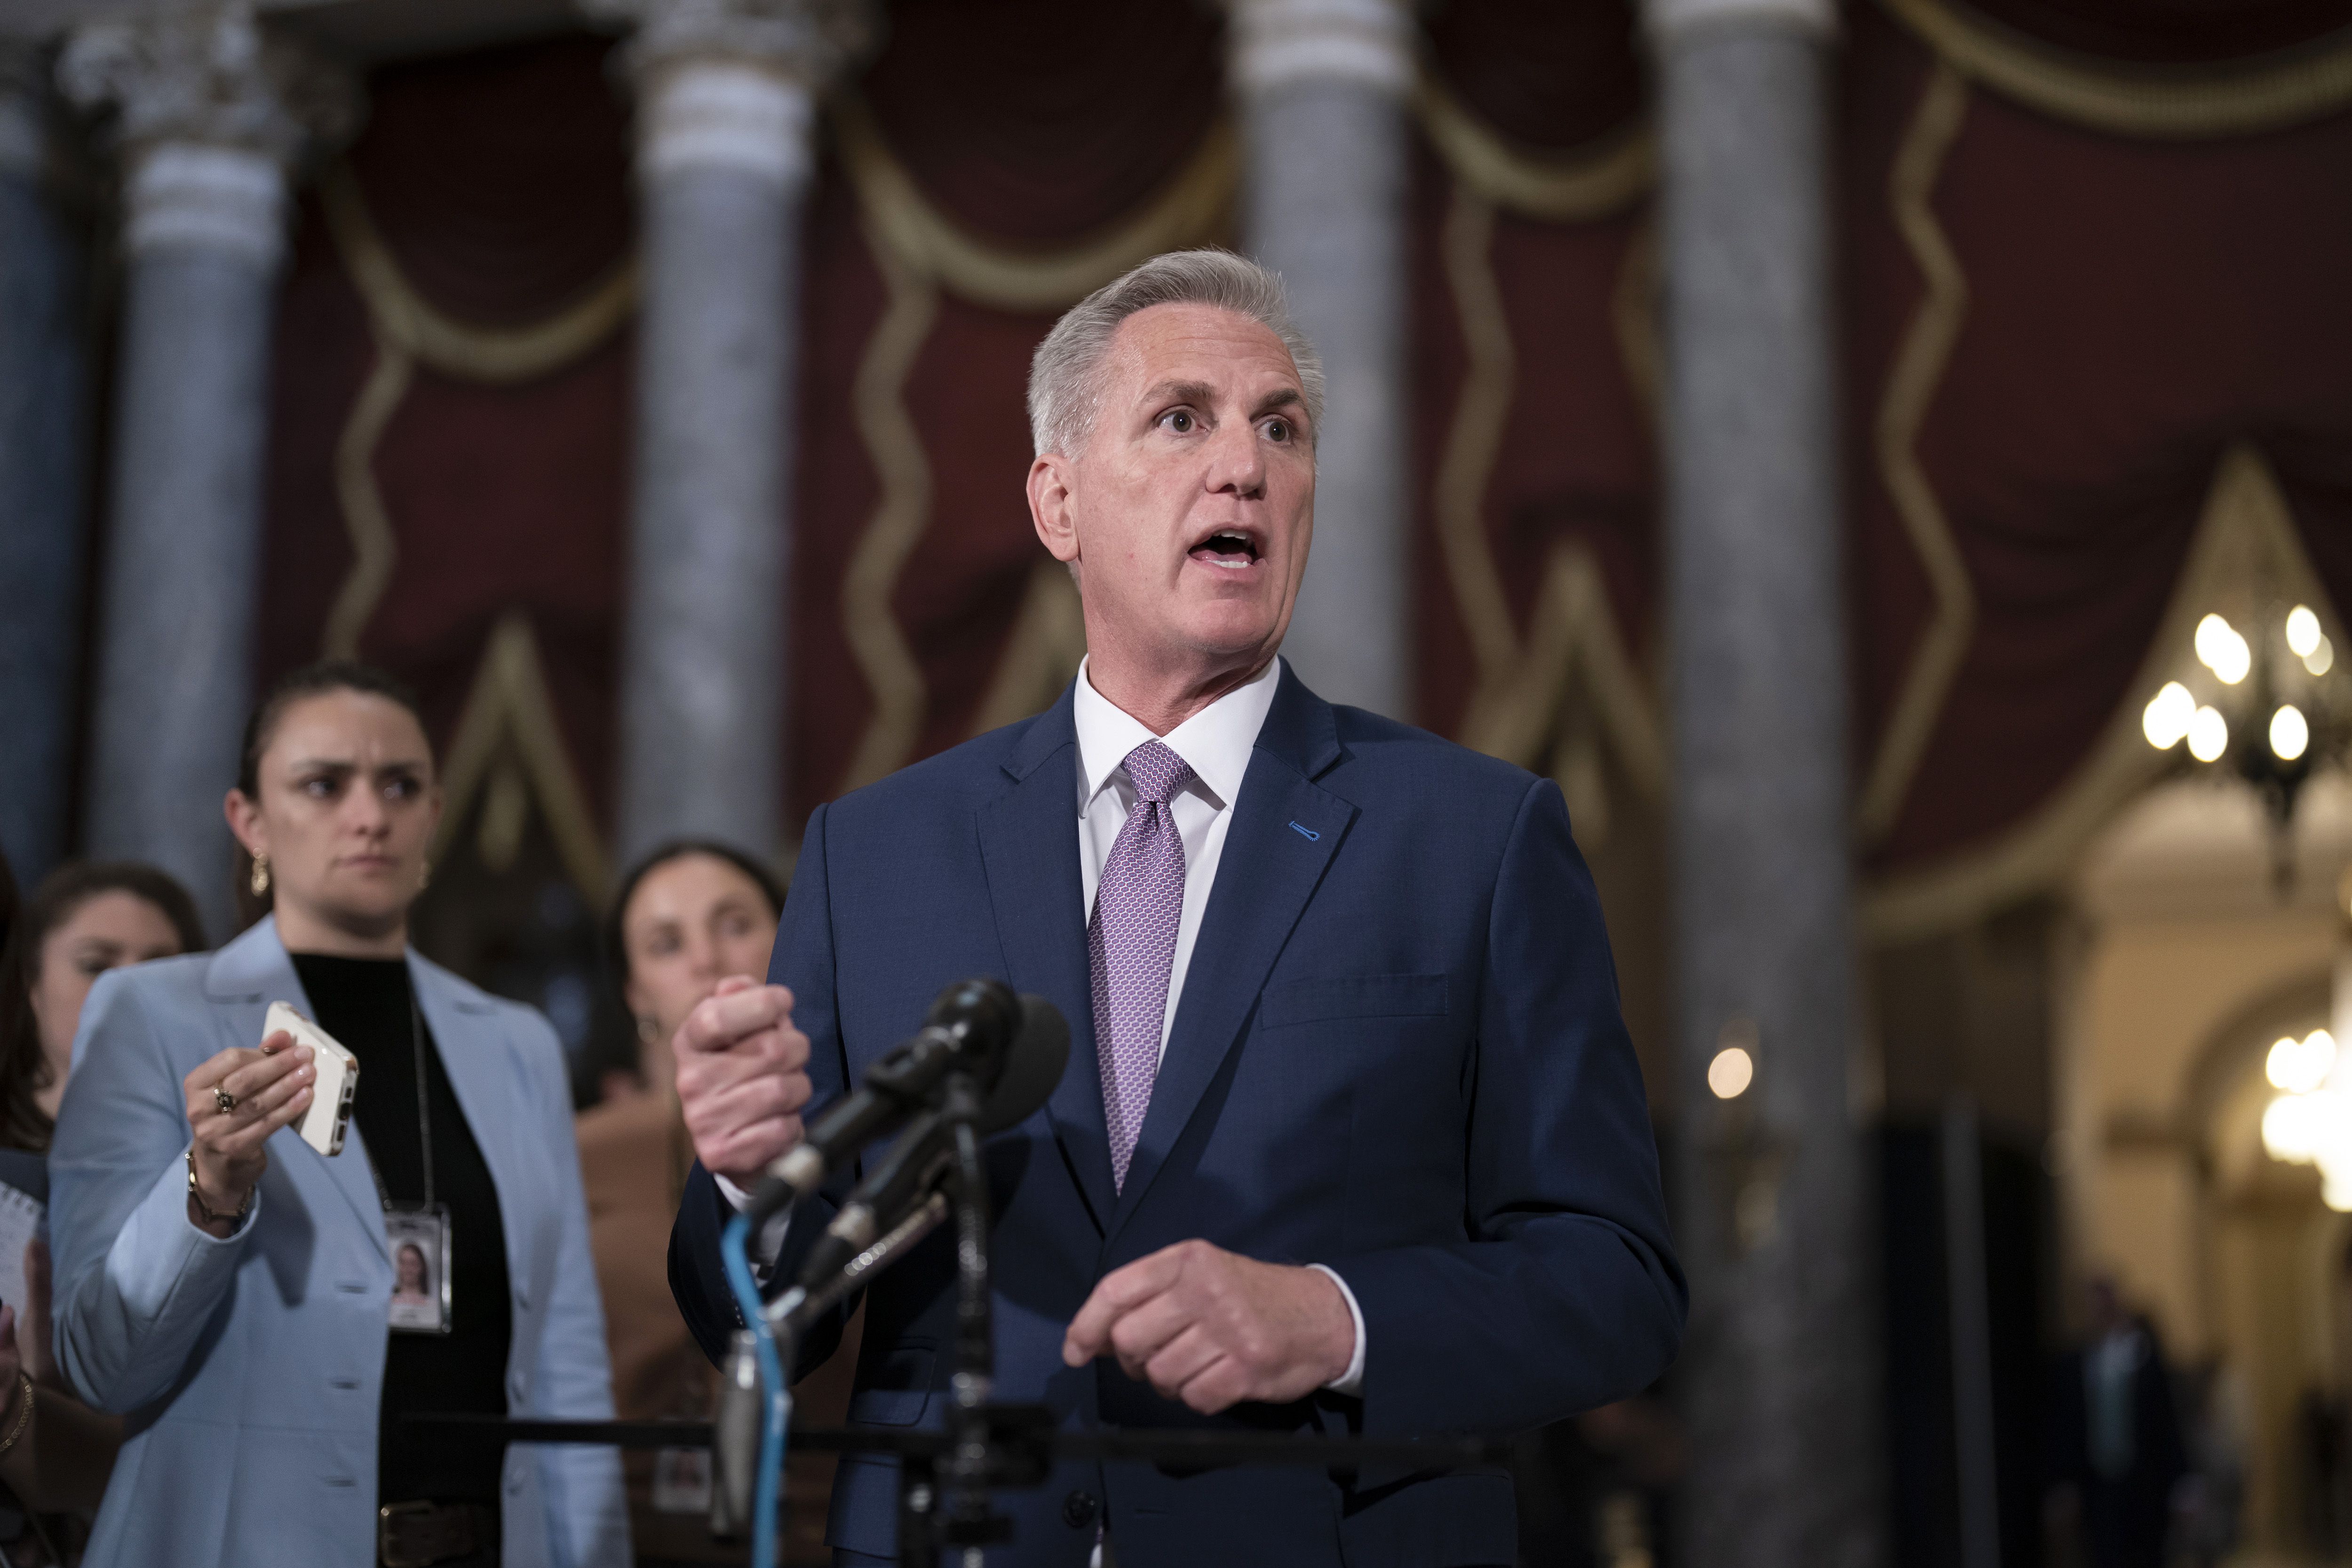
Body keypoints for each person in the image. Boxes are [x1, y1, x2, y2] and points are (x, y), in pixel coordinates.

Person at [667, 250, 1686, 1565]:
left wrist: (1337, 1316)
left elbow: (1617, 1280)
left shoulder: (1474, 836)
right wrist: (748, 1176)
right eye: (1182, 418)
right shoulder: (874, 854)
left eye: (1283, 427)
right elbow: (761, 1316)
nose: (1246, 467)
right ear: (1059, 501)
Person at [48, 660, 628, 1568]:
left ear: (435, 812)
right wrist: (206, 1194)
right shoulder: (151, 1012)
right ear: (250, 821)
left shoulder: (516, 1040)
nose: (370, 813)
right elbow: (99, 1363)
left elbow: (567, 1362)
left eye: (401, 784)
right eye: (325, 783)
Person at [576, 841, 785, 1564]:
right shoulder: (576, 1153)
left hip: (819, 1525)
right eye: (667, 943)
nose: (705, 958)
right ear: (637, 993)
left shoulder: (867, 1139)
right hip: (616, 1532)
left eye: (733, 924)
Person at [0, 860, 207, 1541]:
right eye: (97, 964)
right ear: (26, 985)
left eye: (159, 966)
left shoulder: (210, 1199)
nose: (128, 989)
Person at [2046, 1276, 2189, 1568]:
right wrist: (2062, 1481)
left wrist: (2183, 1482)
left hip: (2146, 1484)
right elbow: (2063, 1428)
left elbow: (2167, 1422)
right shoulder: (2074, 1364)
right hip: (2096, 1486)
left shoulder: (2145, 1356)